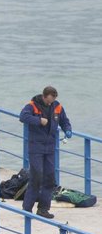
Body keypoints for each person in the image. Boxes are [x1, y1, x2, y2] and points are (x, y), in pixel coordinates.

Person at [19, 85, 72, 219]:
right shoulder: (32, 105)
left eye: (52, 101)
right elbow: (23, 117)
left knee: (49, 178)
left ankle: (43, 209)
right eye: (48, 101)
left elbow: (64, 120)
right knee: (36, 176)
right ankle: (27, 208)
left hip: (50, 147)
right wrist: (38, 120)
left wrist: (68, 129)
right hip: (36, 146)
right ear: (44, 96)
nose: (50, 103)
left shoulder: (57, 106)